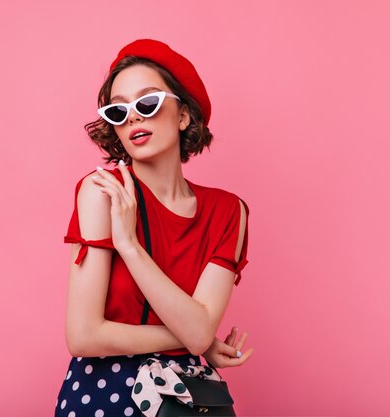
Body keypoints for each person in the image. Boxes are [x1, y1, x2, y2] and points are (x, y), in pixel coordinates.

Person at [54, 39, 253, 417]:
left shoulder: (228, 210)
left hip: (190, 399)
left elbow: (198, 331)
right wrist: (197, 340)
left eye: (148, 103)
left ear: (183, 116)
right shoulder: (102, 193)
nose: (133, 117)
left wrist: (129, 245)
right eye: (119, 109)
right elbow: (83, 335)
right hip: (104, 394)